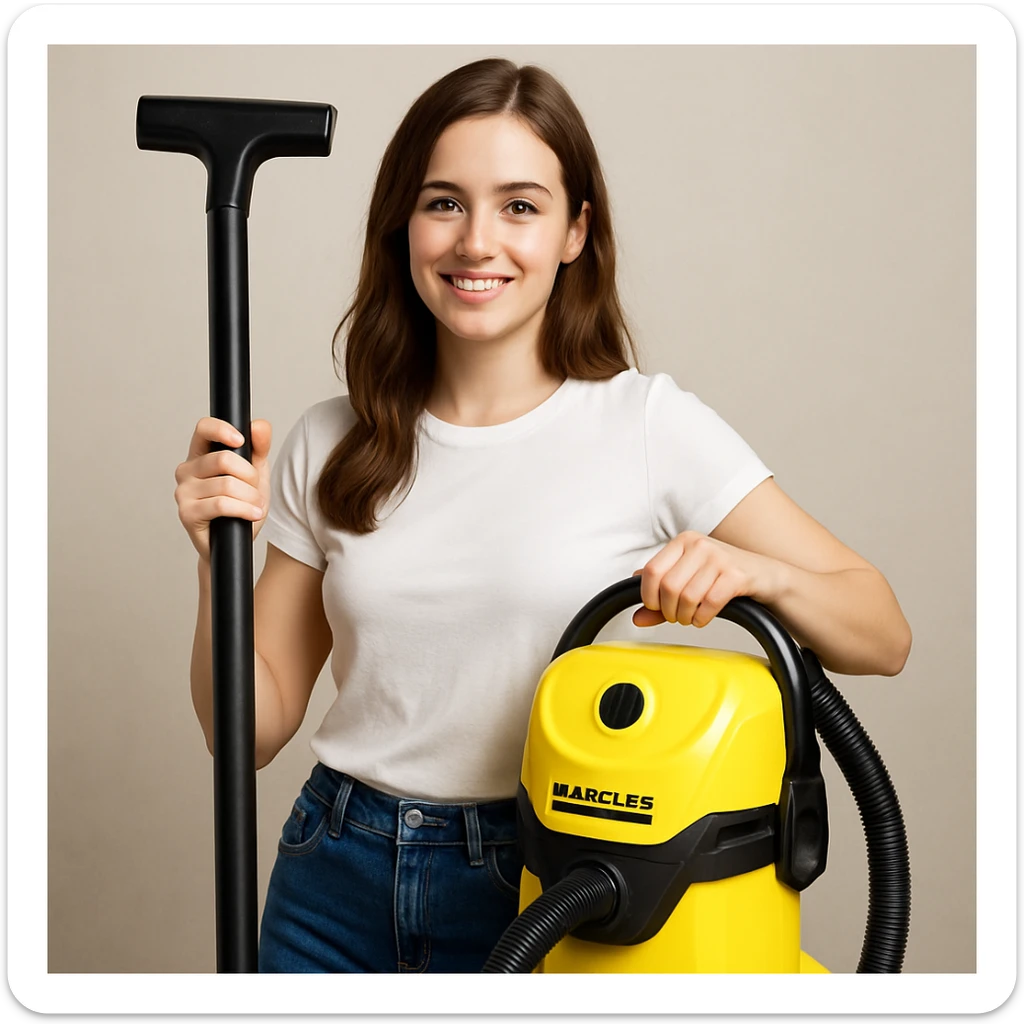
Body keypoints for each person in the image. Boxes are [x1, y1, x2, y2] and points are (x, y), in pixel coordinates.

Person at [173, 58, 911, 974]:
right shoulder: (331, 440)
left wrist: (757, 574)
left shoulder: (646, 426)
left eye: (519, 206)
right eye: (444, 203)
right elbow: (246, 734)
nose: (476, 241)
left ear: (575, 231)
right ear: (403, 223)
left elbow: (883, 634)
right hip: (333, 872)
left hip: (552, 874)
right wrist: (215, 563)